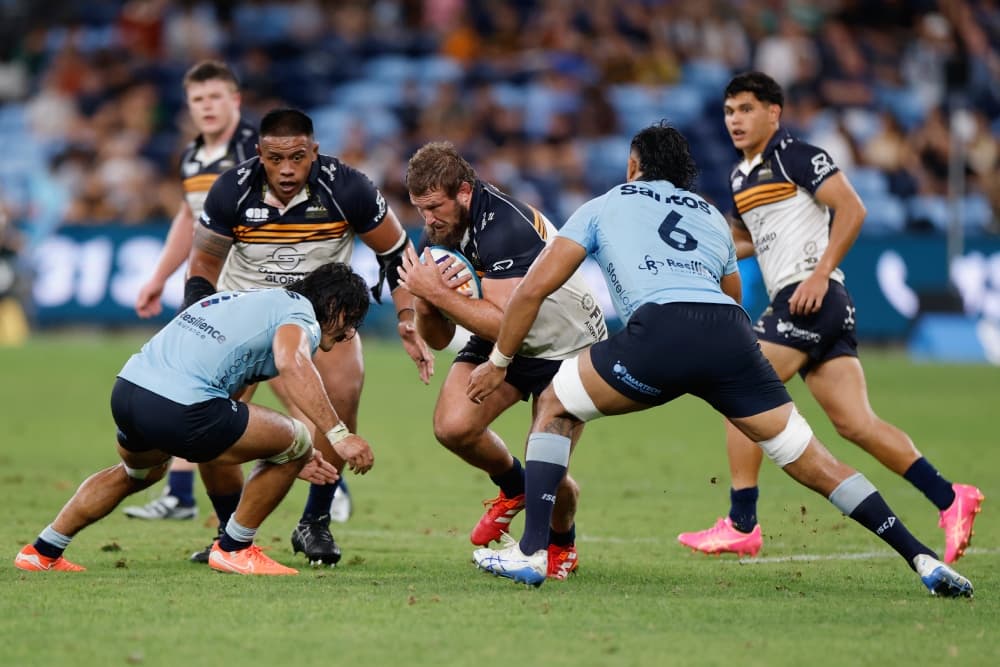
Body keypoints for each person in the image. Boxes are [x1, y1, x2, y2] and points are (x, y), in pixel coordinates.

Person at [466, 122, 973, 597]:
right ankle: (922, 558)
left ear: (633, 166)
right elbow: (730, 294)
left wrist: (500, 361)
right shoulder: (709, 214)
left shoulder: (606, 203)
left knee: (555, 403)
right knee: (814, 461)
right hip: (730, 336)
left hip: (659, 333)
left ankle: (532, 552)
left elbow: (531, 290)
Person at [676, 71, 983, 563]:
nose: (735, 120)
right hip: (816, 306)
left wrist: (819, 275)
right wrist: (699, 250)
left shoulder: (797, 155)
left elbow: (853, 209)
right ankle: (950, 497)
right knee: (856, 424)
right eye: (729, 111)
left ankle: (741, 523)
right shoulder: (739, 177)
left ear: (773, 112)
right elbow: (748, 239)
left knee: (738, 386)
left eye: (746, 109)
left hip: (810, 296)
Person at [184, 108, 432, 567]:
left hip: (321, 318)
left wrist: (406, 317)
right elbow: (203, 264)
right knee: (208, 426)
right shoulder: (231, 190)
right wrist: (197, 318)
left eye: (297, 157)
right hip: (243, 317)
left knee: (343, 395)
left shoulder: (349, 188)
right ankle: (228, 533)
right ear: (259, 154)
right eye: (275, 158)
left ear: (314, 152)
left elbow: (397, 252)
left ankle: (315, 522)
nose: (286, 169)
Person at [15, 262, 374, 576]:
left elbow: (231, 393)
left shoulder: (250, 301)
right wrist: (337, 435)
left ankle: (42, 550)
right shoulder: (301, 314)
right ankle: (234, 549)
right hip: (180, 406)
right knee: (297, 438)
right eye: (352, 321)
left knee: (137, 474)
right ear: (335, 307)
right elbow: (291, 362)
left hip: (128, 391)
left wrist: (282, 453)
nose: (349, 334)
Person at [398, 142, 607, 579]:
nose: (428, 219)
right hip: (506, 338)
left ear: (464, 192)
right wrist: (424, 305)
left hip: (565, 343)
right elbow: (440, 338)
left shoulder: (505, 225)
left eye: (434, 207)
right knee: (453, 426)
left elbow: (506, 321)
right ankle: (515, 487)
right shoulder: (439, 233)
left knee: (549, 470)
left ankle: (562, 545)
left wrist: (436, 293)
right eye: (420, 209)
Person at [123, 60, 258, 524]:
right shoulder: (192, 156)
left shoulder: (256, 150)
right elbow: (189, 217)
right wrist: (160, 277)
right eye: (198, 99)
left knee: (233, 395)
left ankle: (326, 483)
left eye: (216, 96)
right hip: (210, 294)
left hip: (251, 294)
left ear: (235, 100)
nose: (207, 107)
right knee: (201, 390)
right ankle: (184, 496)